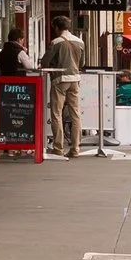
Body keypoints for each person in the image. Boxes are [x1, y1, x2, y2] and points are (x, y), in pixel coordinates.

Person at [42, 15, 87, 158]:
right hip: (75, 79)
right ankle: (75, 148)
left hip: (60, 80)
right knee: (75, 114)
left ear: (56, 27)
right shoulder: (80, 42)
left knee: (57, 113)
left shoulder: (56, 42)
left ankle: (58, 148)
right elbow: (82, 63)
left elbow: (45, 62)